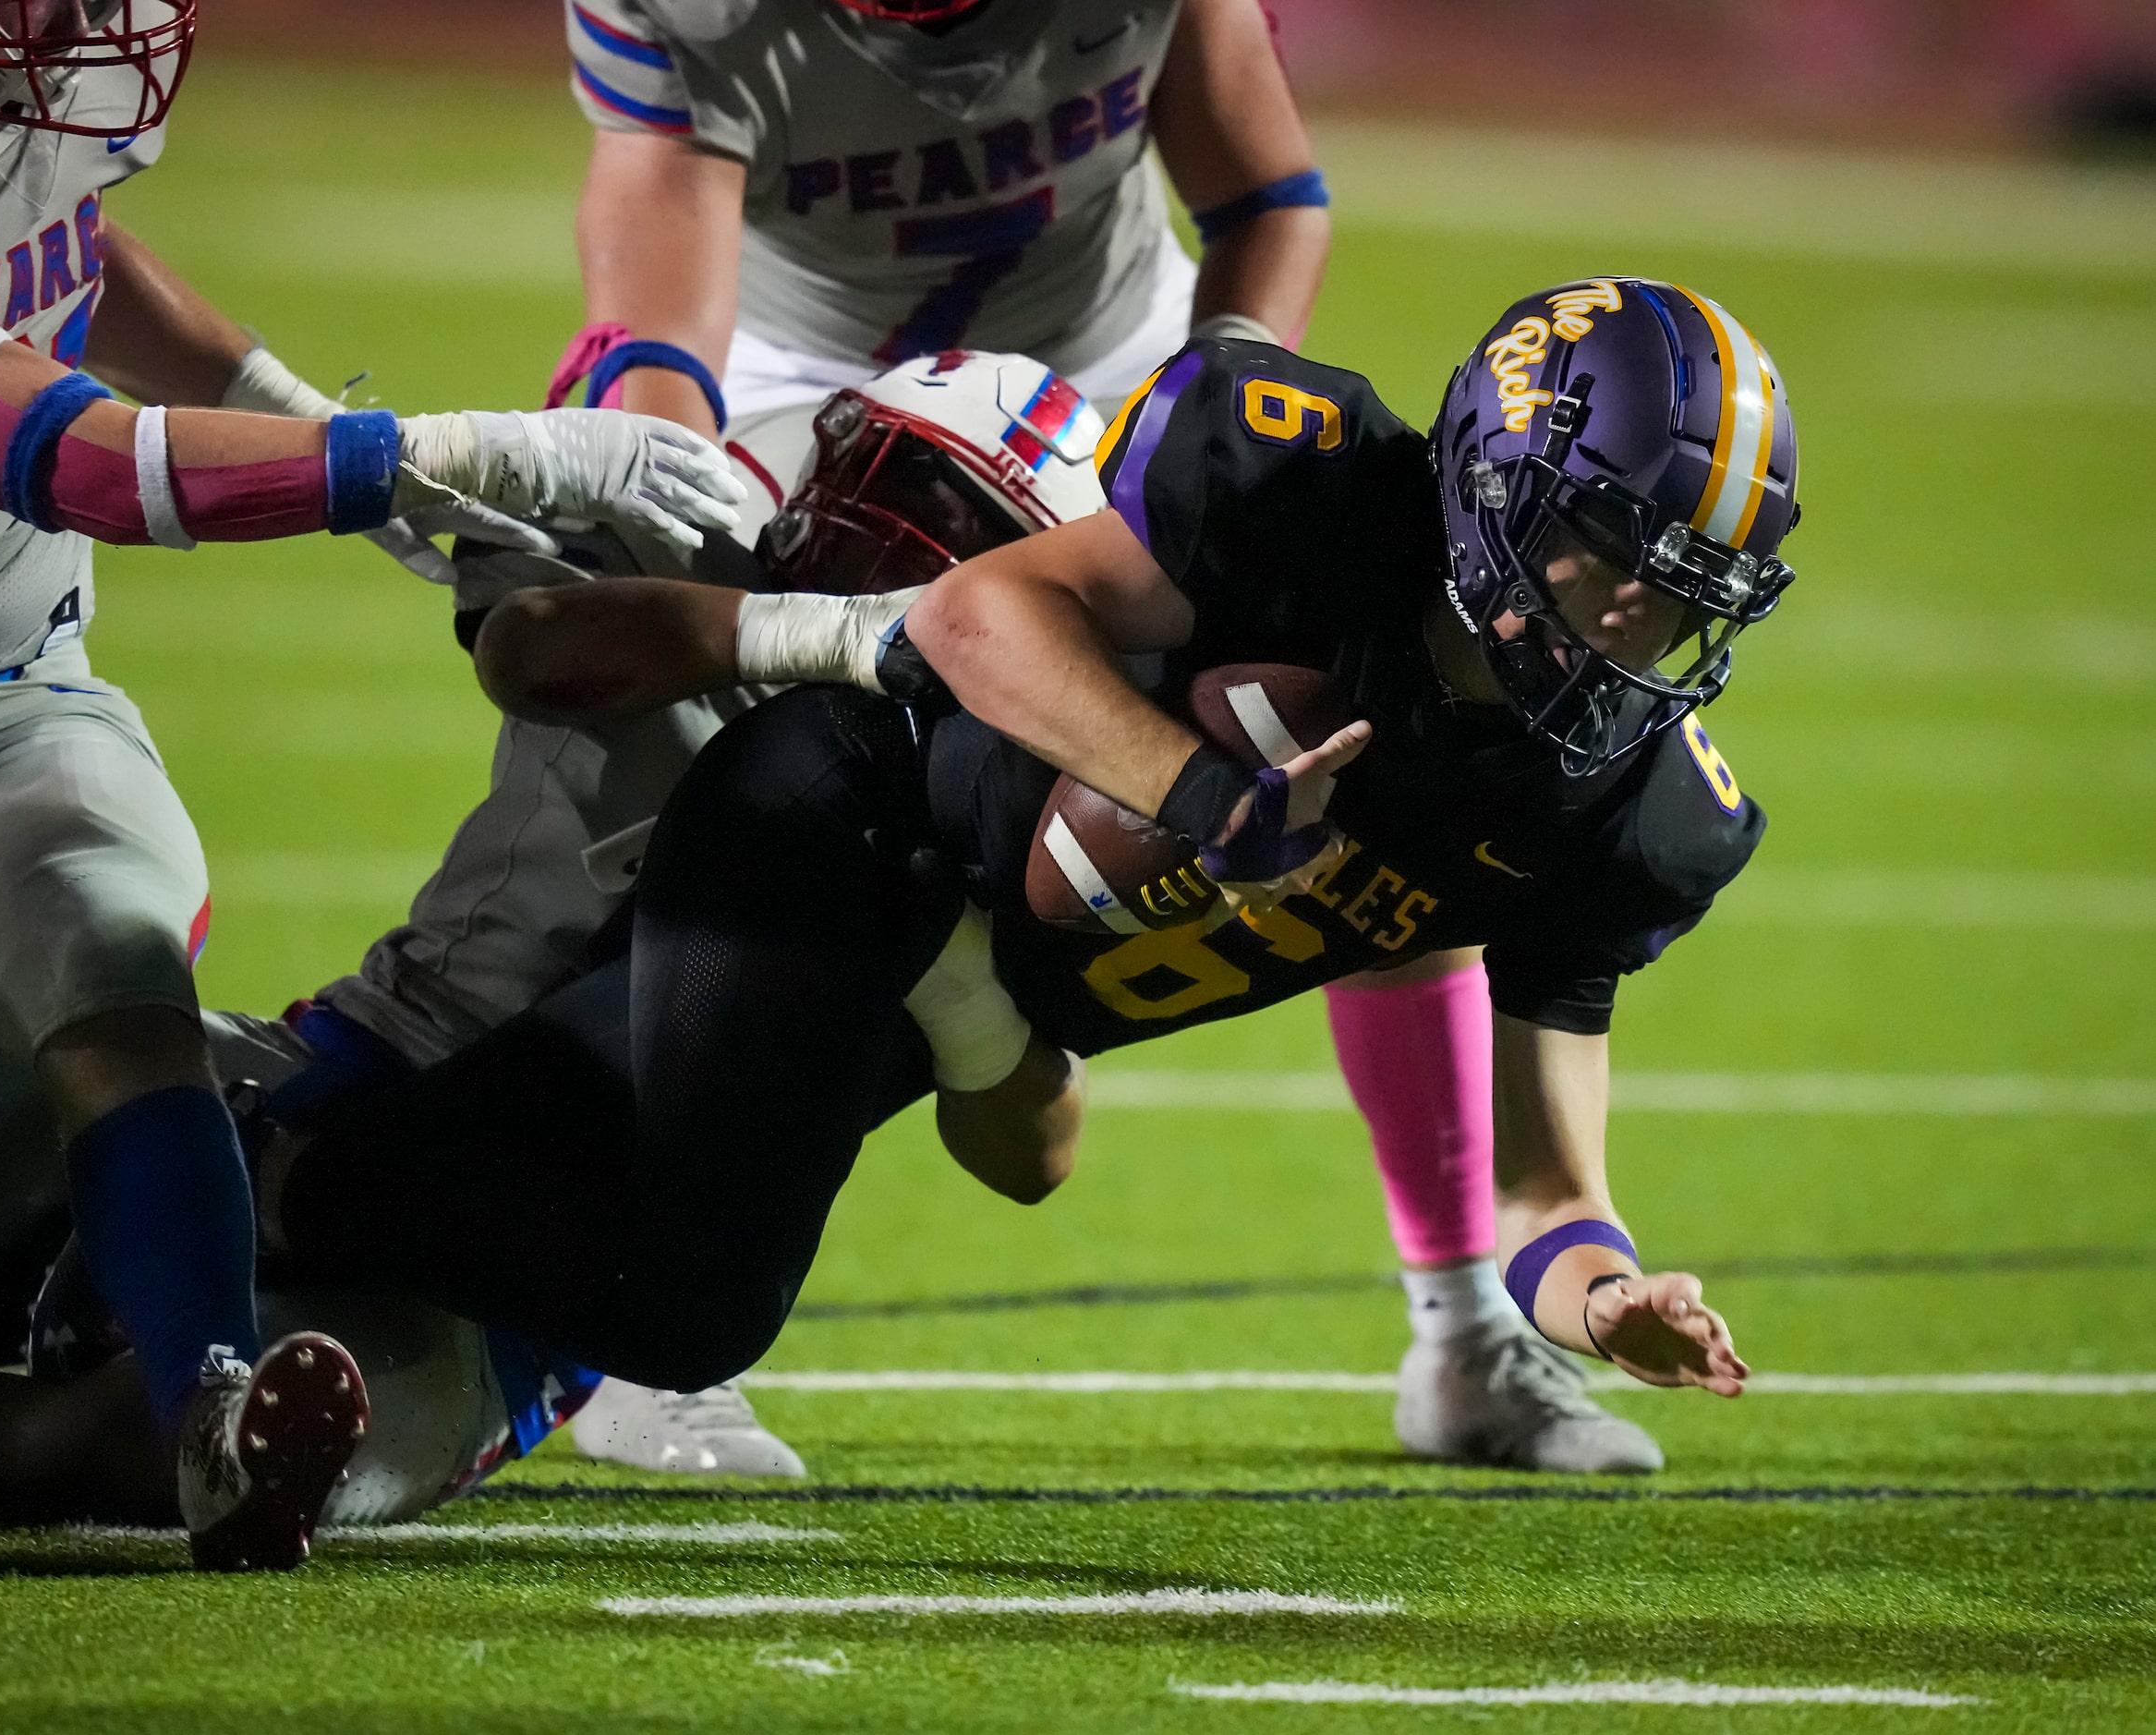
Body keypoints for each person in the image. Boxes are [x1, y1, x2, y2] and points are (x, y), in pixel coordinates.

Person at [0, 0, 739, 1567]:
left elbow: (69, 261)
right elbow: (64, 457)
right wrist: (440, 450)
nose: (109, 20)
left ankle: (213, 1411)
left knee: (115, 975)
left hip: (6, 702)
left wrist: (296, 408)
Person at [0, 356, 1093, 1521]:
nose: (904, 538)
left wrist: (952, 980)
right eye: (903, 484)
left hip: (509, 1281)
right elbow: (545, 650)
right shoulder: (697, 548)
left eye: (960, 529)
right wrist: (799, 632)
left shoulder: (966, 800)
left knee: (193, 1452)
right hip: (290, 1091)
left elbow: (1036, 1149)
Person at [233, 278, 1798, 1424]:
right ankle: (231, 1188)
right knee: (683, 1297)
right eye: (1618, 571)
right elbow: (974, 614)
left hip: (959, 976)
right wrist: (1206, 799)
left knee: (542, 1180)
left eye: (1692, 597)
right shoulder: (1307, 489)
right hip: (844, 821)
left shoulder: (1625, 812)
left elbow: (1550, 1193)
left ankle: (213, 1196)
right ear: (1498, 502)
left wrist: (1607, 1299)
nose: (1640, 633)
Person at [549, 0, 1616, 1471]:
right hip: (819, 406)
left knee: (1387, 743)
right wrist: (687, 496)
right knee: (722, 790)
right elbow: (664, 324)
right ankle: (649, 1320)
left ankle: (1465, 1332)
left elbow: (1266, 195)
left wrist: (1216, 411)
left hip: (1127, 380)